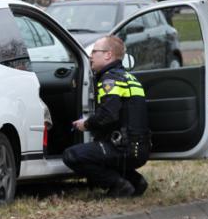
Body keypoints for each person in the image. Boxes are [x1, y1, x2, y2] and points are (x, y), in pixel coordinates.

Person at [63, 35, 150, 198]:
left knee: (72, 155)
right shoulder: (129, 77)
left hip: (123, 148)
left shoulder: (109, 79)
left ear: (108, 55)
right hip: (141, 148)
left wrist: (86, 124)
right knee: (98, 149)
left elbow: (108, 115)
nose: (90, 57)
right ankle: (136, 181)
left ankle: (120, 186)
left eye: (94, 52)